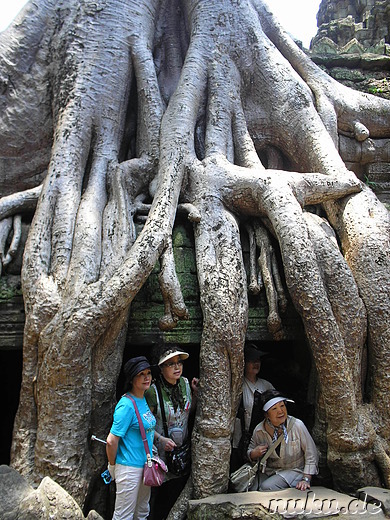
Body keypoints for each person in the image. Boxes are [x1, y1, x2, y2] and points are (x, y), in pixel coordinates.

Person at [145, 347, 199, 520]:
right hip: (160, 454)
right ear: (161, 368)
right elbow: (145, 424)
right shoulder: (152, 391)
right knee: (158, 498)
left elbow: (189, 413)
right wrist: (160, 440)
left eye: (179, 363)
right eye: (170, 364)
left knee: (177, 493)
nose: (177, 367)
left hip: (181, 451)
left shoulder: (185, 383)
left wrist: (196, 394)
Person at [106, 356, 156, 520]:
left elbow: (145, 428)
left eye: (148, 373)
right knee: (123, 516)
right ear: (132, 379)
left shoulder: (143, 399)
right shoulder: (126, 405)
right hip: (129, 468)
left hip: (145, 467)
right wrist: (112, 466)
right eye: (141, 374)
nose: (146, 377)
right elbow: (111, 441)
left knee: (141, 512)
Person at [247, 389, 319, 491]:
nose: (280, 411)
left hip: (294, 470)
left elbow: (311, 453)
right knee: (252, 487)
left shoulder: (297, 425)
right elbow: (250, 451)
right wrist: (254, 453)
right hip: (270, 471)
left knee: (267, 487)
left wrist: (306, 479)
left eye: (282, 406)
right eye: (274, 409)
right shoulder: (259, 430)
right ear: (266, 414)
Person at [231, 344, 274, 472]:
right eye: (252, 361)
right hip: (239, 435)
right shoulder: (238, 384)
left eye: (258, 360)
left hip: (260, 435)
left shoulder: (266, 385)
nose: (256, 364)